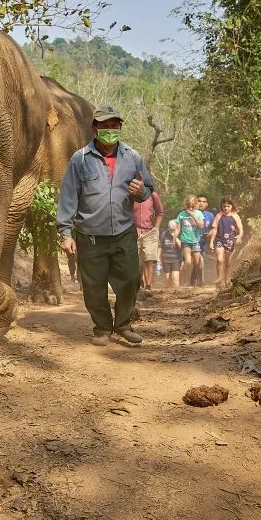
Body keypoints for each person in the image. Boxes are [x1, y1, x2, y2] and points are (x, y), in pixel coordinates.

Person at [57, 104, 154, 347]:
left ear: (120, 127)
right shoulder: (79, 159)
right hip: (90, 236)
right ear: (94, 128)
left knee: (131, 279)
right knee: (93, 286)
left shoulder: (133, 157)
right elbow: (68, 196)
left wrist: (141, 191)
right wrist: (65, 233)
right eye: (105, 125)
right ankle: (102, 328)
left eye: (114, 125)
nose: (110, 129)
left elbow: (148, 189)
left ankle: (123, 325)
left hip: (123, 232)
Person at [209, 196, 244, 290]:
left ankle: (227, 280)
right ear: (221, 206)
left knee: (228, 263)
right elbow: (214, 229)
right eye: (224, 206)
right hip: (220, 240)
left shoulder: (235, 216)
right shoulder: (219, 216)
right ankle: (219, 278)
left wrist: (240, 235)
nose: (226, 208)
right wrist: (211, 241)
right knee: (220, 260)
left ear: (232, 206)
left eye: (228, 206)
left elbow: (240, 228)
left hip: (230, 241)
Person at [133, 187, 164, 293]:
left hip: (149, 231)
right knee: (136, 260)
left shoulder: (153, 195)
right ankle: (139, 280)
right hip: (133, 232)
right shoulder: (130, 194)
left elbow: (160, 212)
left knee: (149, 259)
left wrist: (156, 228)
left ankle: (149, 286)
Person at [176, 195, 204, 287]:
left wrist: (193, 215)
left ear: (196, 205)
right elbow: (178, 228)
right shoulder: (181, 215)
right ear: (186, 205)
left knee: (197, 263)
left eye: (192, 206)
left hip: (195, 240)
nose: (190, 208)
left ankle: (200, 280)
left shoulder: (199, 213)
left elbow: (201, 225)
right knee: (188, 261)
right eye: (189, 206)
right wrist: (174, 237)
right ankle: (182, 279)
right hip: (185, 241)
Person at [195, 195, 216, 286]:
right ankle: (200, 282)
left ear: (207, 204)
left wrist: (208, 236)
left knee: (198, 262)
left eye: (204, 202)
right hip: (191, 242)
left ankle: (194, 281)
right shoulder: (191, 213)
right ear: (195, 202)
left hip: (203, 243)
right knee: (198, 262)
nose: (201, 203)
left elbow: (214, 229)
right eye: (199, 201)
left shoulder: (210, 215)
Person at [159, 219, 182, 289]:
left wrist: (175, 238)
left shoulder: (180, 234)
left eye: (173, 230)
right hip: (166, 258)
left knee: (175, 277)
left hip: (176, 258)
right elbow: (160, 246)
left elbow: (182, 247)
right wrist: (158, 258)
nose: (172, 231)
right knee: (168, 279)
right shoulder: (164, 234)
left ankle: (177, 293)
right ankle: (168, 294)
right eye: (170, 230)